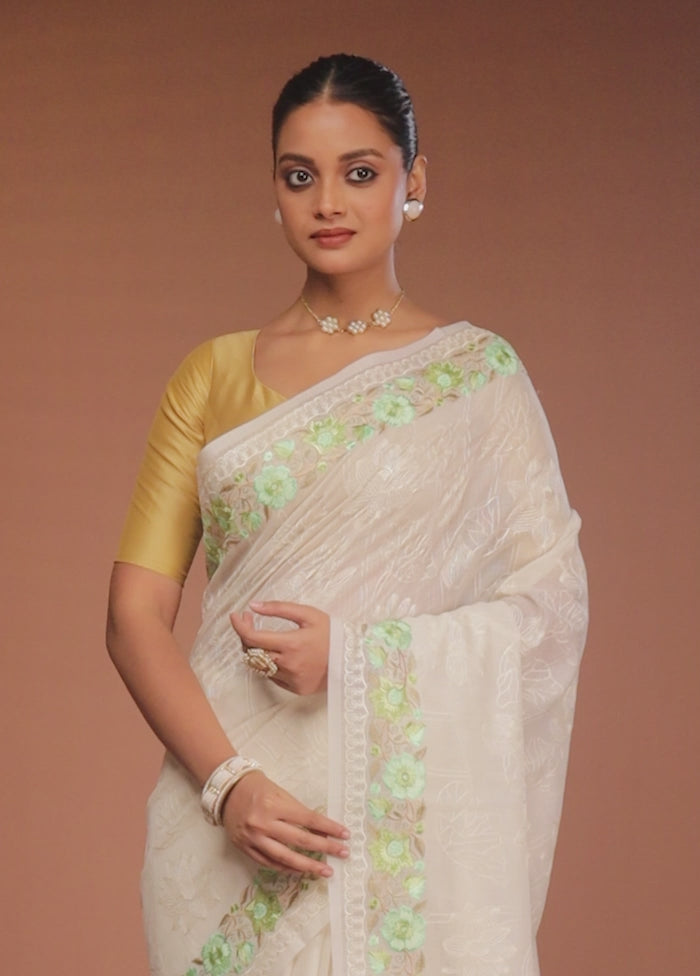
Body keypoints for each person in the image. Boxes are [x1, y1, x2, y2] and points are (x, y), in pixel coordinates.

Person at [107, 53, 587, 976]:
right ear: (274, 191)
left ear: (415, 182)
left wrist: (359, 655)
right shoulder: (212, 375)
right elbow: (133, 616)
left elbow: (552, 610)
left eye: (360, 172)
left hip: (400, 826)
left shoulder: (479, 379)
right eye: (300, 177)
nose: (328, 202)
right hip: (229, 824)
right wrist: (229, 785)